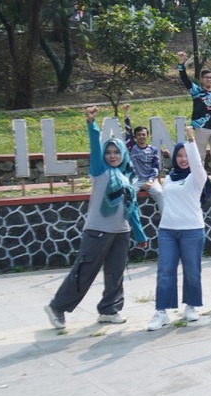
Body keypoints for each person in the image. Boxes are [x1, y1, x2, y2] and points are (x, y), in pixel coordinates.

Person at [45, 106, 148, 329]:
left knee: (116, 274)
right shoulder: (99, 172)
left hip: (121, 232)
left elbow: (132, 209)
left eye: (116, 152)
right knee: (85, 272)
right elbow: (94, 148)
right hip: (98, 230)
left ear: (122, 154)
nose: (112, 156)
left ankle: (109, 310)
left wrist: (139, 233)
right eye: (108, 152)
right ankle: (57, 307)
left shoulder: (126, 176)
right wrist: (91, 124)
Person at [144, 129, 211, 330]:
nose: (183, 159)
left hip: (192, 229)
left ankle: (191, 307)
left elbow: (198, 165)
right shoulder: (170, 178)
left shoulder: (196, 177)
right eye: (179, 155)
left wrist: (191, 142)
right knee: (165, 271)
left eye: (187, 155)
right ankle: (161, 312)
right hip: (167, 230)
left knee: (192, 271)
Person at [177, 51, 211, 171]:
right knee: (200, 156)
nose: (209, 79)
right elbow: (184, 79)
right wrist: (181, 64)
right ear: (202, 79)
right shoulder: (196, 91)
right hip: (201, 128)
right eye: (207, 77)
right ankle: (200, 180)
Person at [122, 103, 159, 183]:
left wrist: (151, 180)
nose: (141, 136)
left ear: (147, 136)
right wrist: (126, 114)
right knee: (129, 194)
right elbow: (128, 131)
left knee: (159, 193)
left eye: (143, 134)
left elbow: (155, 166)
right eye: (138, 135)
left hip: (150, 181)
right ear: (135, 137)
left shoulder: (153, 150)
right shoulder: (132, 147)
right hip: (135, 181)